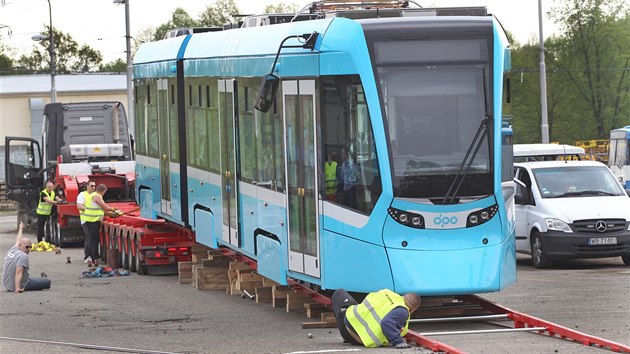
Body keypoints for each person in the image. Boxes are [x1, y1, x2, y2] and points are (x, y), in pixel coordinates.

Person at [332, 288, 421, 349]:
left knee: (339, 292)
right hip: (356, 335)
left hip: (350, 327)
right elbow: (387, 322)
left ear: (403, 296)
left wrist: (397, 341)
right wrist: (398, 341)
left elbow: (386, 322)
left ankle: (346, 337)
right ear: (413, 310)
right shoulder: (403, 310)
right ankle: (347, 337)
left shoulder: (387, 292)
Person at [3, 222, 51, 292]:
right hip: (21, 284)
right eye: (27, 247)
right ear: (20, 245)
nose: (29, 249)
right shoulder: (23, 256)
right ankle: (43, 279)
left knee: (32, 278)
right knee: (47, 282)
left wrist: (21, 228)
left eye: (30, 247)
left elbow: (18, 239)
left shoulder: (13, 249)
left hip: (7, 284)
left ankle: (37, 279)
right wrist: (17, 288)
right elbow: (19, 272)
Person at [83, 184, 116, 267]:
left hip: (91, 220)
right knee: (94, 240)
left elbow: (100, 209)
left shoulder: (92, 195)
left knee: (92, 239)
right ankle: (95, 258)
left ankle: (93, 258)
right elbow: (104, 206)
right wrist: (113, 209)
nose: (104, 194)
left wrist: (108, 213)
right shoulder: (97, 196)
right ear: (103, 191)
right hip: (92, 221)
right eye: (105, 192)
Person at [77, 181, 96, 263]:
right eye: (92, 186)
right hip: (86, 220)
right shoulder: (82, 195)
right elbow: (79, 206)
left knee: (93, 238)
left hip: (94, 219)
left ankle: (94, 256)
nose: (93, 187)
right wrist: (89, 210)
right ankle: (87, 256)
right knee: (89, 237)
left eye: (95, 186)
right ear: (87, 186)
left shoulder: (95, 195)